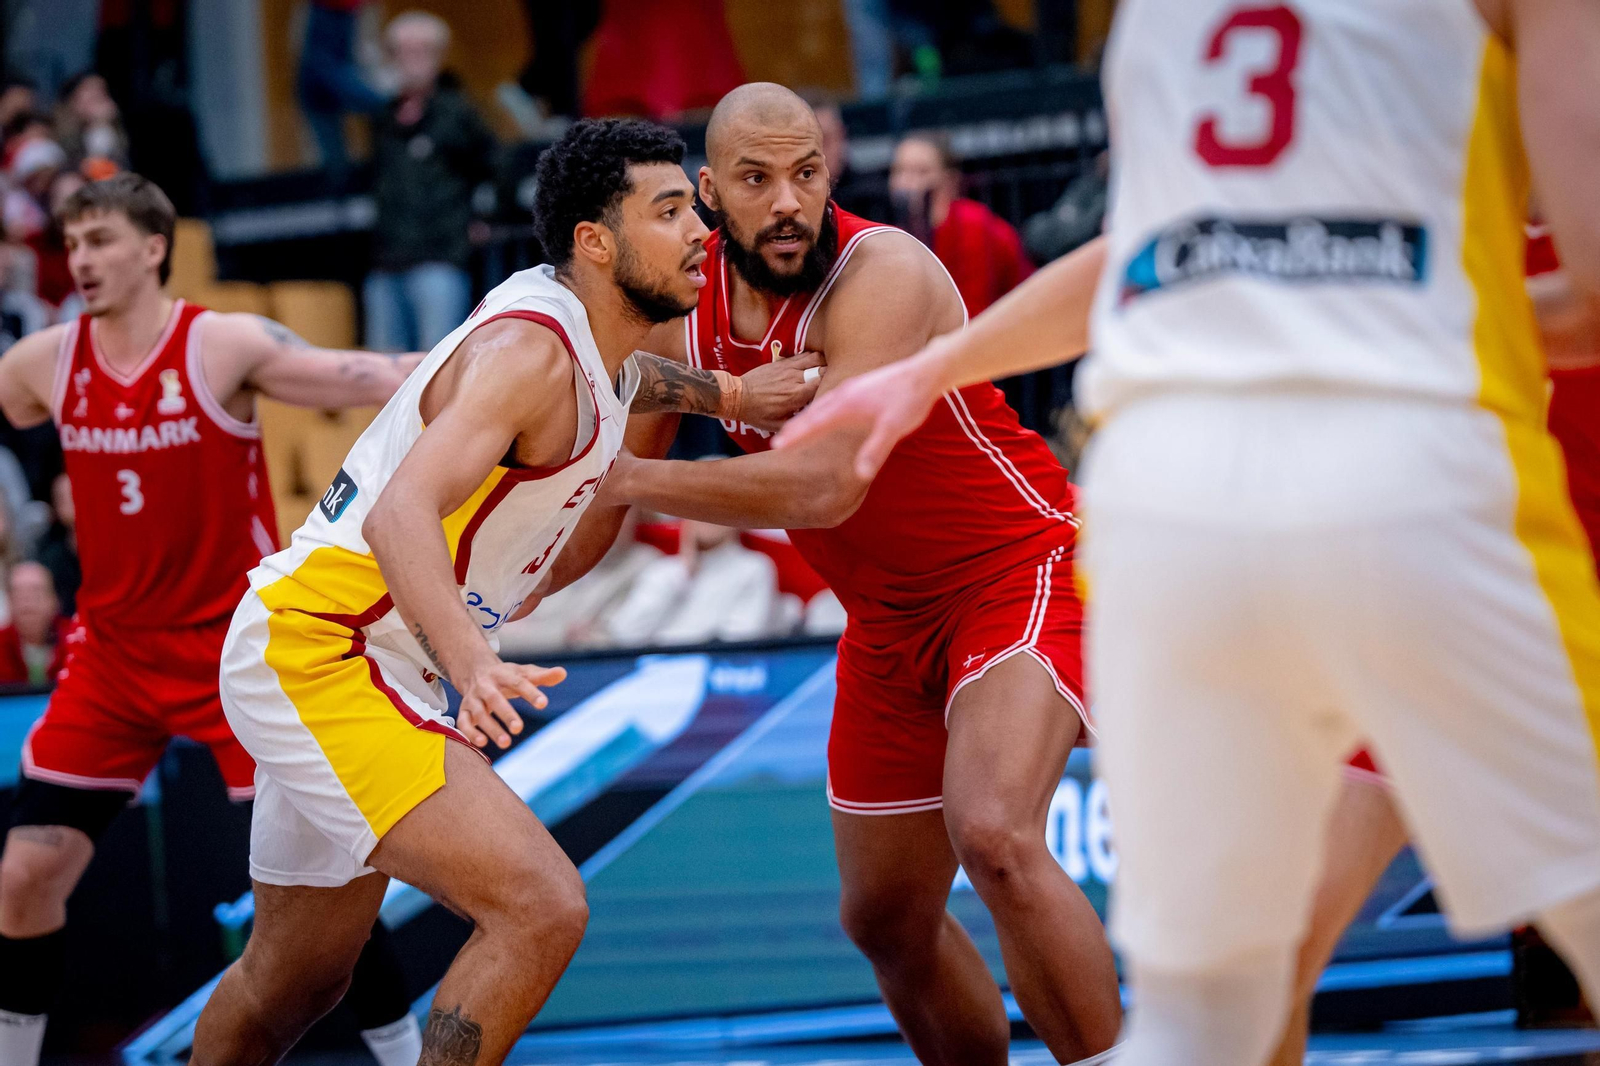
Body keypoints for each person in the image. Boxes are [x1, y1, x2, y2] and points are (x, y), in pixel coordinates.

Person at [781, 2, 1600, 1062]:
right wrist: (1391, 304)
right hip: (1410, 482)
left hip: (1170, 499)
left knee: (1211, 1013)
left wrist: (929, 368)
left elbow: (1147, 259)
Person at [188, 117, 817, 1066]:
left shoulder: (595, 338)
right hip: (326, 648)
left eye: (694, 207)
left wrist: (728, 398)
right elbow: (403, 514)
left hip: (370, 653)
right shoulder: (527, 357)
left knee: (297, 979)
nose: (701, 229)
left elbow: (637, 381)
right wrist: (474, 660)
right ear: (595, 243)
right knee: (540, 907)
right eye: (671, 210)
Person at [587, 83, 1122, 1066]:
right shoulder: (682, 317)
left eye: (806, 173)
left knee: (994, 832)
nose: (789, 200)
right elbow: (595, 519)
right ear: (711, 191)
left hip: (1015, 564)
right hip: (885, 622)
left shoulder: (885, 269)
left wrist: (625, 472)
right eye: (757, 179)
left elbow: (828, 483)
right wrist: (485, 579)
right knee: (882, 917)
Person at [0, 172, 430, 1066]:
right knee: (24, 876)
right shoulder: (43, 363)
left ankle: (403, 1057)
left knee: (327, 893)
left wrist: (481, 362)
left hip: (237, 652)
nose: (81, 260)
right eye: (73, 244)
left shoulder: (220, 344)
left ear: (154, 248)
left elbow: (361, 374)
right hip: (112, 656)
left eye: (101, 241)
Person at [365, 11, 494, 354]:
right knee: (383, 370)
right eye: (403, 51)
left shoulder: (457, 112)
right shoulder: (382, 117)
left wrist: (484, 218)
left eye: (422, 50)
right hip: (386, 261)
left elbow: (497, 164)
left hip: (440, 258)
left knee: (435, 365)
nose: (412, 60)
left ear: (437, 56)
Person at [889, 131, 1032, 316]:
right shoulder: (899, 233)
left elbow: (974, 311)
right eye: (899, 170)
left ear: (949, 180)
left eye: (921, 171)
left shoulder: (973, 225)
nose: (906, 182)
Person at [0, 561, 67, 685]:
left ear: (55, 599)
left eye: (36, 593)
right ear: (8, 601)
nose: (27, 601)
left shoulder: (76, 641)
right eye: (19, 594)